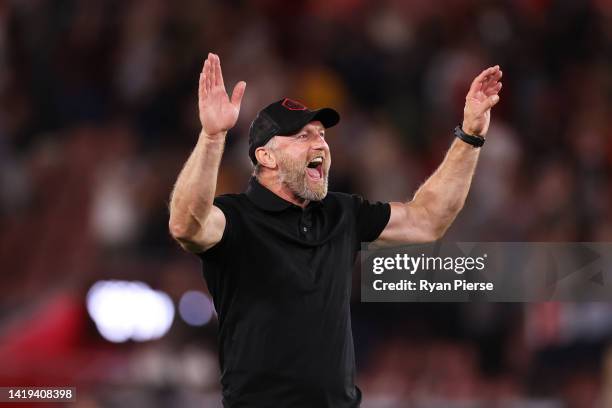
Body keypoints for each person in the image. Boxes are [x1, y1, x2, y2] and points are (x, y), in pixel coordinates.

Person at [168, 52, 502, 407]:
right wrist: (212, 136)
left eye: (322, 135)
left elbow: (428, 220)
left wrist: (469, 136)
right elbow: (186, 224)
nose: (320, 144)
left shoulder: (341, 213)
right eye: (302, 136)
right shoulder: (237, 217)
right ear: (266, 157)